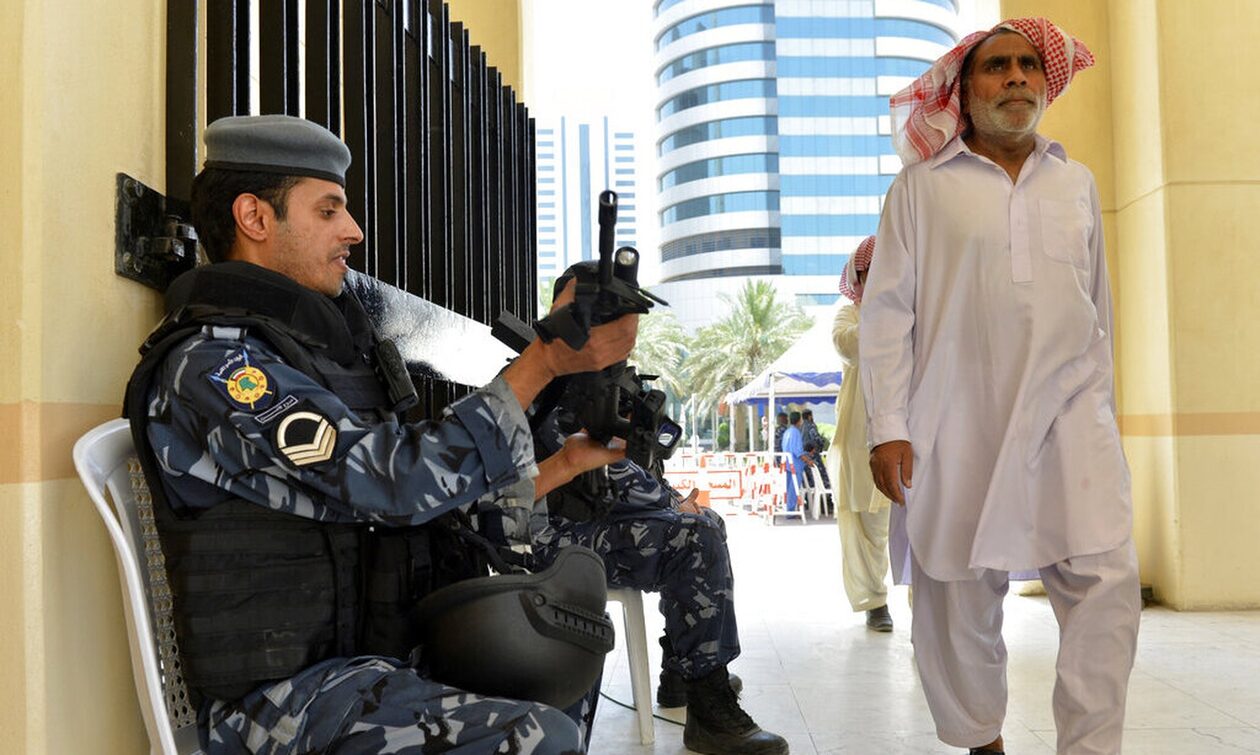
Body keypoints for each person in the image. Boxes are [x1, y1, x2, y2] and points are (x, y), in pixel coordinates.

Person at [124, 114, 639, 754]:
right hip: (276, 702)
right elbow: (393, 484)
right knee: (537, 737)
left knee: (562, 658)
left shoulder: (305, 358)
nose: (354, 230)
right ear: (254, 217)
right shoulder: (219, 368)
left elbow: (426, 504)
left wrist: (566, 460)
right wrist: (542, 363)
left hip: (359, 663)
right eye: (328, 210)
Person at [861, 18, 1141, 755]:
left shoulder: (1075, 182)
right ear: (964, 89)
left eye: (1028, 65)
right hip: (956, 420)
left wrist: (1106, 414)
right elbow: (887, 315)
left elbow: (1099, 310)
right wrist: (888, 426)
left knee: (1108, 583)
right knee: (956, 593)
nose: (1016, 76)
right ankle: (982, 740)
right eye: (997, 66)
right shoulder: (920, 189)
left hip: (1070, 417)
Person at [529, 265, 788, 755]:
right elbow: (594, 470)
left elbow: (619, 468)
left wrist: (669, 498)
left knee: (702, 523)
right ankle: (707, 702)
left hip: (588, 519)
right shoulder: (549, 382)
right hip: (547, 537)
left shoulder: (592, 379)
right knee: (693, 535)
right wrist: (669, 503)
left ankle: (684, 673)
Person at [827, 235, 894, 632]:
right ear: (858, 277)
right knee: (869, 527)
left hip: (910, 433)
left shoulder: (912, 312)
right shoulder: (848, 316)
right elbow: (850, 347)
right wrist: (882, 313)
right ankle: (875, 601)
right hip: (861, 439)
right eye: (872, 273)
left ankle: (926, 607)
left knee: (914, 526)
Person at [799, 409, 833, 514]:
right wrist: (822, 445)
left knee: (810, 482)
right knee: (823, 480)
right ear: (810, 416)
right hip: (813, 456)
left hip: (805, 457)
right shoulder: (811, 426)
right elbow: (817, 439)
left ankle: (810, 503)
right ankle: (826, 504)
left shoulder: (800, 427)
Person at [780, 411, 805, 512]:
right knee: (794, 489)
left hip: (787, 463)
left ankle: (788, 509)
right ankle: (790, 511)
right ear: (799, 421)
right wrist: (808, 460)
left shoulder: (787, 432)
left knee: (788, 488)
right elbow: (797, 451)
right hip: (795, 464)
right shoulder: (796, 433)